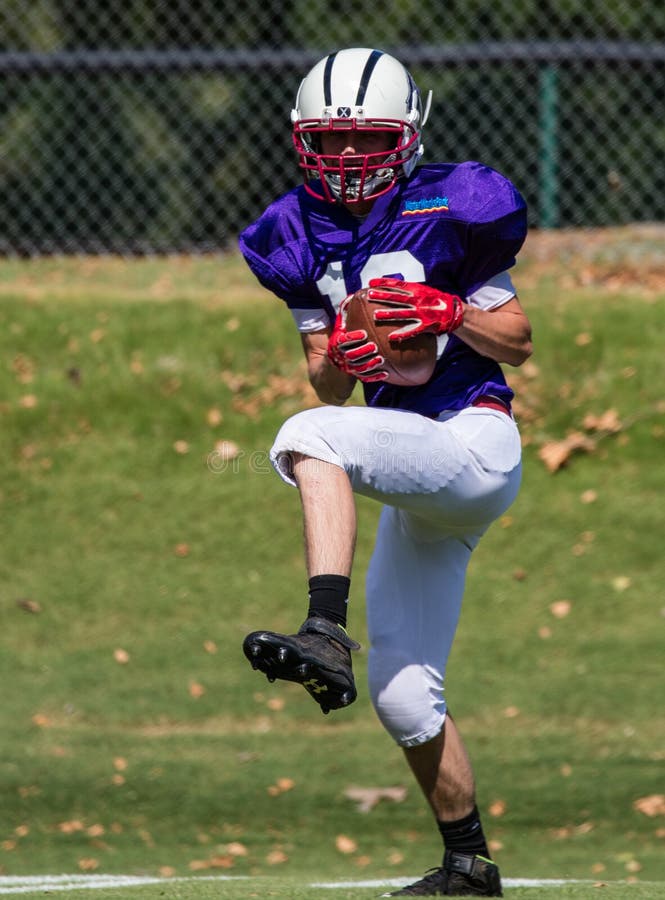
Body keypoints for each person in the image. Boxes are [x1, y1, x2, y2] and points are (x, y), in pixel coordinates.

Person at [238, 47, 532, 897]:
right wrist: (341, 346)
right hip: (413, 468)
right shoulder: (289, 233)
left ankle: (322, 627)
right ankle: (467, 864)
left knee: (307, 436)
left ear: (408, 134)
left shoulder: (456, 201)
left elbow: (516, 338)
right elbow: (327, 382)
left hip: (472, 441)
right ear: (301, 140)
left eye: (366, 138)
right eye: (330, 141)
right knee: (405, 699)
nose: (348, 158)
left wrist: (450, 313)